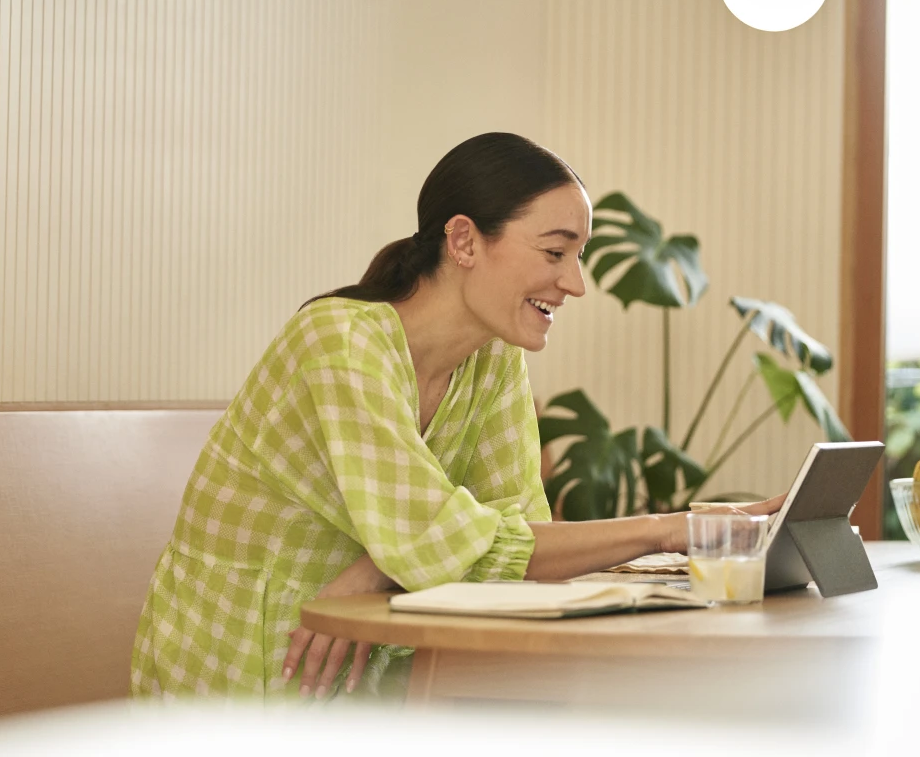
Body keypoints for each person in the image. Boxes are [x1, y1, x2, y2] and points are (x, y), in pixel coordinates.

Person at [130, 132, 784, 703]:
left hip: (376, 653)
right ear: (464, 240)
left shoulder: (492, 359)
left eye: (578, 256)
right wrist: (671, 529)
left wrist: (384, 566)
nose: (577, 283)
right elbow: (446, 541)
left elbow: (512, 526)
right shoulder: (340, 341)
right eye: (556, 252)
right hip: (253, 662)